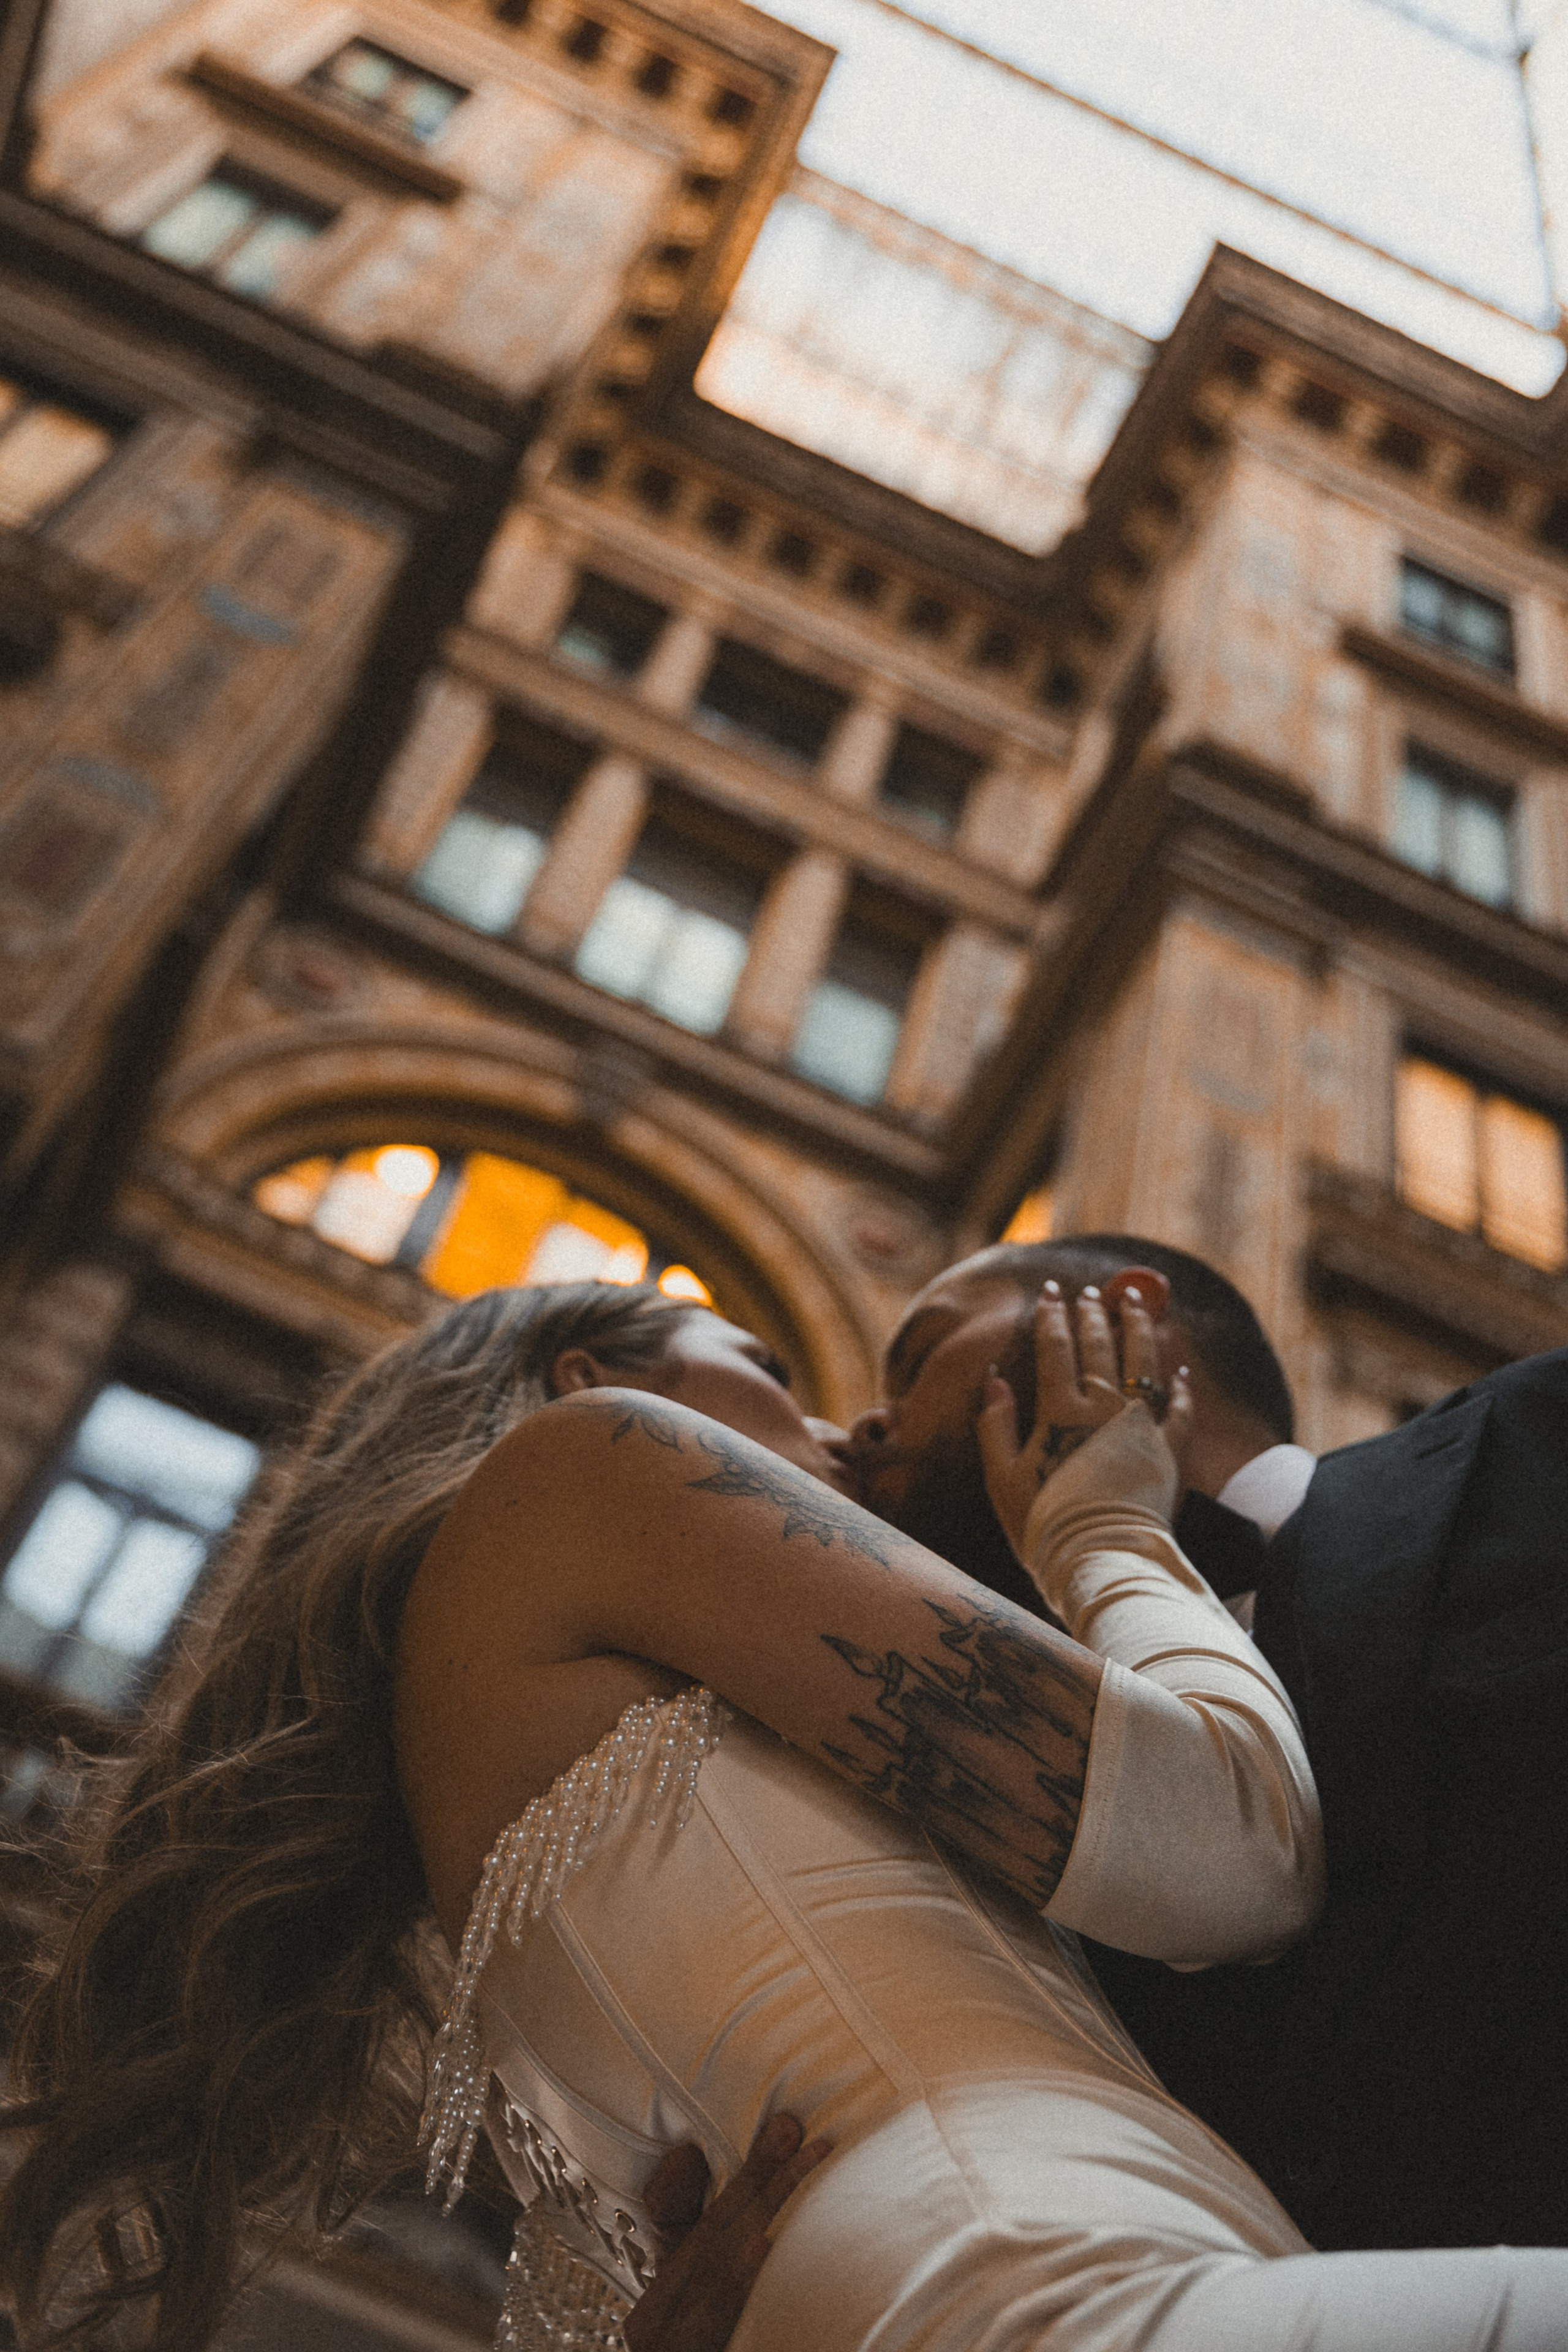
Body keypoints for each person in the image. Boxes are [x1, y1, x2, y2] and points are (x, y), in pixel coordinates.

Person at [0, 1278, 1559, 2352]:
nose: (837, 1437)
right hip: (1041, 2279)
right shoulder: (589, 1469)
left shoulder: (487, 1747)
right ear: (592, 1383)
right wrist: (1102, 1521)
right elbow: (1234, 1853)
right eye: (765, 1362)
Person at [835, 1232, 1568, 2253]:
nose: (867, 1419)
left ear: (1130, 1313)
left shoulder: (1539, 1438)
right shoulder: (988, 1831)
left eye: (919, 1354)